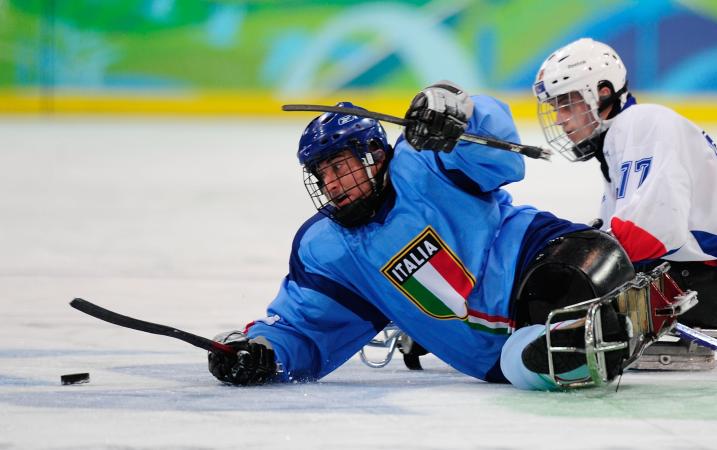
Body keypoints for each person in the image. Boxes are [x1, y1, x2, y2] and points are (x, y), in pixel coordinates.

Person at [207, 82, 641, 390]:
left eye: (339, 167)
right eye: (322, 174)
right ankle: (583, 334)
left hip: (539, 256)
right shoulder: (327, 249)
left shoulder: (423, 158)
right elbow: (306, 327)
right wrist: (265, 353)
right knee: (522, 359)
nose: (332, 184)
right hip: (497, 352)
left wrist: (461, 112)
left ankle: (601, 313)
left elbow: (504, 161)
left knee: (581, 269)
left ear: (374, 156)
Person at [532, 38, 717, 368]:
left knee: (561, 285)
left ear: (602, 92)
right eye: (556, 107)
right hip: (712, 279)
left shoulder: (642, 124)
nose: (560, 119)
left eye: (567, 104)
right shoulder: (623, 134)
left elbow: (654, 232)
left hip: (714, 286)